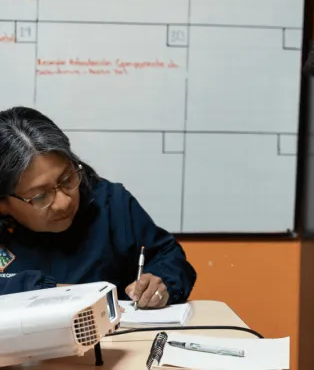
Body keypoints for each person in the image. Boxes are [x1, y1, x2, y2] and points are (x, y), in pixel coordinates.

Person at [0, 107, 196, 308]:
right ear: (3, 204)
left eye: (67, 179)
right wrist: (41, 290)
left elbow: (169, 257)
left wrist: (162, 282)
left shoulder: (110, 204)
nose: (64, 202)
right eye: (41, 195)